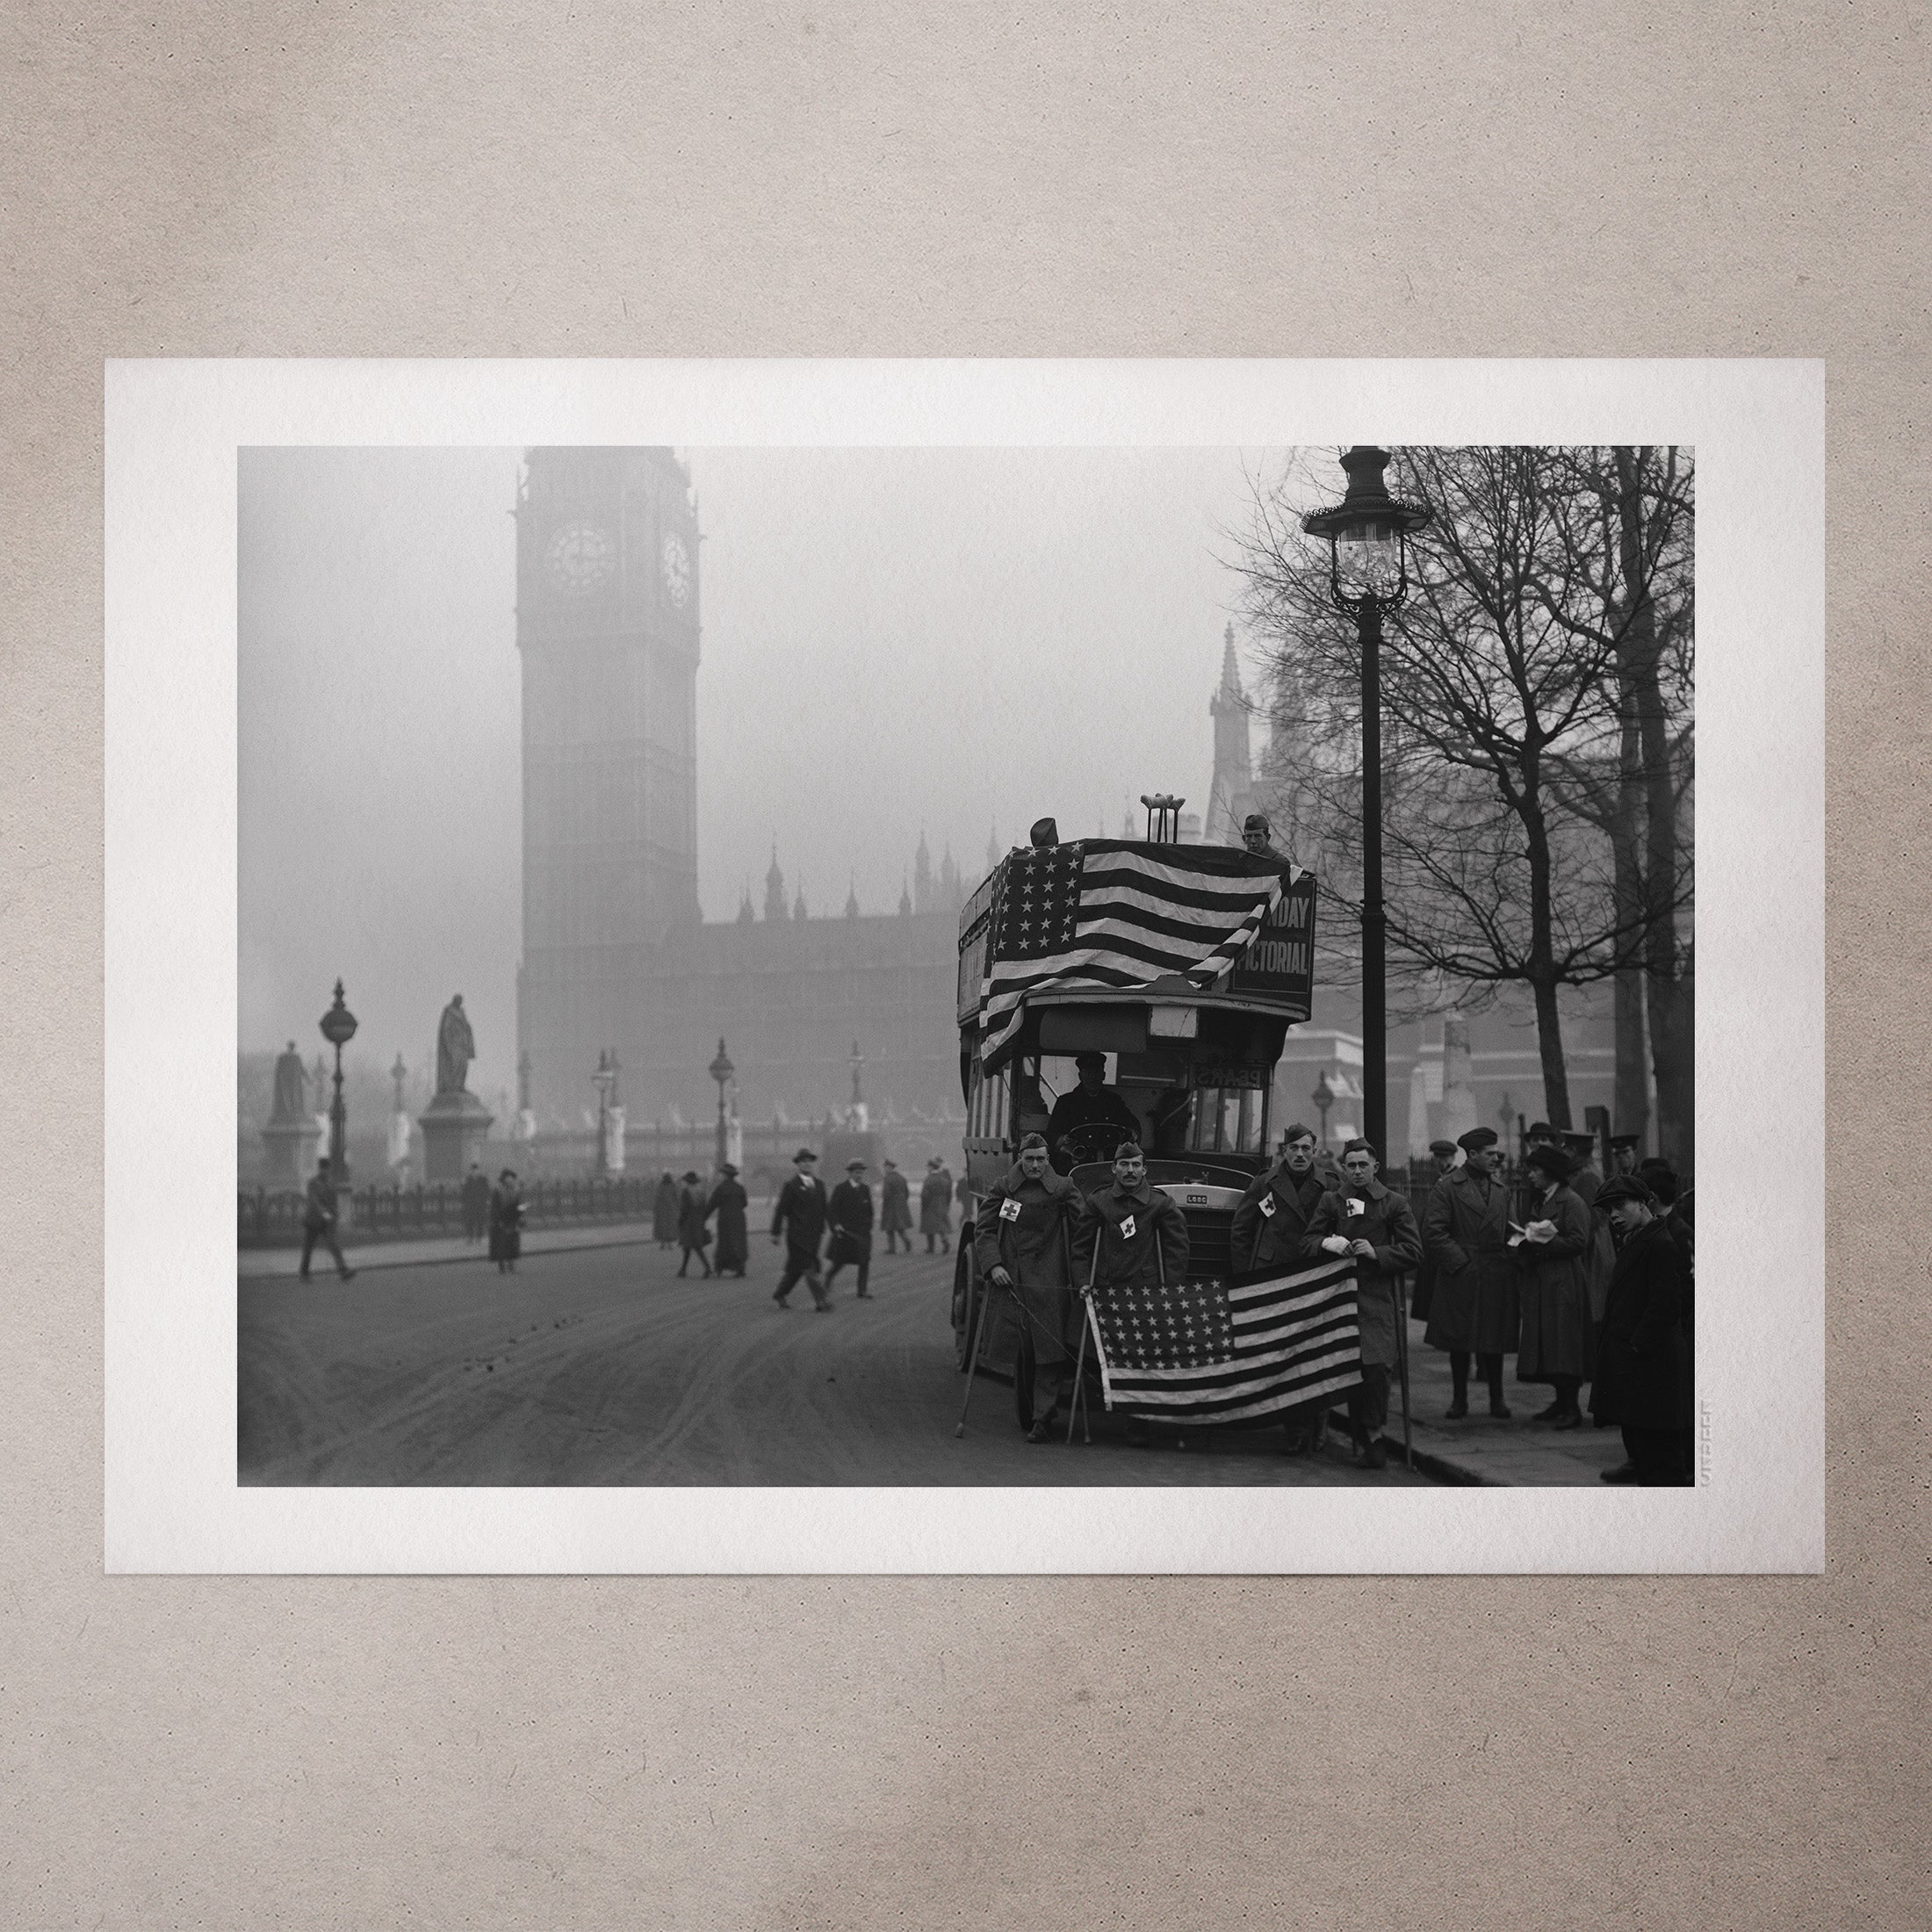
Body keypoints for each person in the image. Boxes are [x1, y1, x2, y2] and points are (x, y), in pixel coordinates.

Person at [1304, 1139, 1424, 1469]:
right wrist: (1330, 1242)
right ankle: (1339, 1432)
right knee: (1344, 1371)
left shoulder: (1393, 1203)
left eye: (1363, 1165)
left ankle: (1374, 1435)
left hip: (1377, 1300)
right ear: (1344, 1167)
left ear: (1375, 1167)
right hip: (1338, 1300)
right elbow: (1308, 1242)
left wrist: (1378, 1253)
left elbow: (1415, 1252)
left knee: (1376, 1371)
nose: (1357, 1171)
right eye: (1351, 1165)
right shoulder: (1332, 1200)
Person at [1072, 1142, 1190, 1447]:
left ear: (1144, 1169)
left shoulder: (1159, 1204)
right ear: (1114, 1168)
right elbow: (1082, 1248)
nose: (1130, 1171)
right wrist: (1083, 1281)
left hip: (1145, 1292)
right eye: (1124, 1165)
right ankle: (1111, 1408)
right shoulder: (1099, 1203)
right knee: (1106, 1356)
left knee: (1144, 1357)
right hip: (1107, 1291)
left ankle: (1138, 1424)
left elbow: (1177, 1249)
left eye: (1136, 1165)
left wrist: (1170, 1287)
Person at [973, 1131, 1085, 1442]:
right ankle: (1030, 1409)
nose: (1035, 1165)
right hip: (1014, 1277)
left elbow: (1083, 1230)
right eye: (1029, 1159)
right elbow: (985, 1230)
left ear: (1049, 1160)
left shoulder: (1063, 1188)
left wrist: (1079, 1274)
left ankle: (1042, 1419)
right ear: (1019, 1158)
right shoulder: (1004, 1188)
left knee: (1050, 1350)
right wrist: (993, 1265)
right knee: (1025, 1349)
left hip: (1051, 1281)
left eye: (1040, 1159)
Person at [1232, 1123, 1333, 1453]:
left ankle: (1318, 1422)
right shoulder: (1264, 1184)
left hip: (1315, 1277)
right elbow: (1241, 1232)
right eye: (1294, 1149)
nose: (1300, 1155)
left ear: (1314, 1151)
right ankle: (1296, 1430)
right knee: (1284, 1356)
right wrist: (1248, 1277)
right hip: (1274, 1278)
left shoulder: (1331, 1184)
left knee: (1315, 1354)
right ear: (1283, 1151)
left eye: (1306, 1148)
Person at [1590, 1177, 1693, 1484]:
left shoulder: (1660, 1243)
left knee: (1660, 1460)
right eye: (1609, 1210)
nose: (1614, 1216)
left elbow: (1665, 1307)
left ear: (1643, 1203)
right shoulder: (1639, 1238)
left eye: (1620, 1206)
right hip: (1639, 1369)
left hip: (1651, 1368)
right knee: (1646, 1454)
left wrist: (1636, 1347)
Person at [1421, 1126, 1519, 1419]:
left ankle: (1497, 1399)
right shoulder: (1448, 1187)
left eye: (1496, 1153)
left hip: (1495, 1272)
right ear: (1472, 1154)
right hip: (1461, 1273)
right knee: (1459, 1339)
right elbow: (1434, 1232)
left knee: (1495, 1338)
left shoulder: (1502, 1191)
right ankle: (1459, 1399)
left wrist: (1518, 1249)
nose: (1496, 1158)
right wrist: (1461, 1263)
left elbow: (1512, 1230)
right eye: (1490, 1154)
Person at [1510, 1142, 1596, 1428]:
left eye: (1535, 1170)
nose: (1531, 1176)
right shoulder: (1543, 1201)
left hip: (1563, 1282)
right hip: (1545, 1281)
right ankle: (1560, 1402)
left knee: (1565, 1344)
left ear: (1550, 1173)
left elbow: (1579, 1241)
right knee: (1552, 1344)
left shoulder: (1571, 1202)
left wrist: (1540, 1241)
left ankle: (1572, 1407)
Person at [1044, 1052, 1140, 1171]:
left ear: (1103, 1075)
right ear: (1080, 1076)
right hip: (1076, 1164)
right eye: (1088, 1073)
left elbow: (1132, 1125)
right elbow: (1052, 1134)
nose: (1093, 1077)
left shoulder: (1114, 1101)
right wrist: (1063, 1139)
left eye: (1097, 1073)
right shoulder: (1066, 1102)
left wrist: (1132, 1133)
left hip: (1110, 1163)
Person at [769, 1148, 833, 1311]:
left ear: (812, 1163)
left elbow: (825, 1209)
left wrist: (834, 1226)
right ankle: (822, 1300)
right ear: (798, 1165)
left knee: (796, 1270)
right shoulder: (791, 1186)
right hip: (797, 1236)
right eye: (802, 1161)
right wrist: (776, 1232)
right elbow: (781, 1210)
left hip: (814, 1235)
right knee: (809, 1267)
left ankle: (780, 1293)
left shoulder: (820, 1185)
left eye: (809, 1161)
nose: (806, 1164)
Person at [1410, 1139, 1461, 1324]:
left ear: (1452, 1157)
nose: (1439, 1161)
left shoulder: (1453, 1180)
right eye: (1437, 1157)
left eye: (1443, 1157)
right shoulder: (1441, 1179)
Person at [825, 1158, 876, 1300]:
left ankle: (862, 1290)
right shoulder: (841, 1189)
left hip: (863, 1233)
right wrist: (836, 1226)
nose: (859, 1176)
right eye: (857, 1173)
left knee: (864, 1262)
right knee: (840, 1262)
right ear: (850, 1173)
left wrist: (869, 1225)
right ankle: (828, 1278)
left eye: (861, 1173)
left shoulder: (865, 1189)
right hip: (845, 1233)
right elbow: (831, 1210)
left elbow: (870, 1210)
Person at [299, 1161, 356, 1283]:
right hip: (313, 1220)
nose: (325, 1171)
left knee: (334, 1246)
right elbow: (314, 1202)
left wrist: (334, 1214)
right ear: (319, 1169)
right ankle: (304, 1274)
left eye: (327, 1169)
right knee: (308, 1248)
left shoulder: (330, 1183)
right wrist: (325, 1214)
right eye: (323, 1169)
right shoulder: (313, 1183)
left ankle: (343, 1271)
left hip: (326, 1222)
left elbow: (333, 1201)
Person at [708, 1163, 749, 1277]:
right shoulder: (740, 1188)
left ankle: (720, 1267)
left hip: (725, 1219)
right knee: (739, 1243)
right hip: (739, 1219)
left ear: (725, 1175)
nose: (720, 1176)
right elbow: (745, 1203)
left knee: (724, 1244)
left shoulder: (721, 1188)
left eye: (721, 1174)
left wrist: (704, 1217)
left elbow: (712, 1204)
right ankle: (740, 1267)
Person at [675, 1170, 712, 1278]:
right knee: (692, 1246)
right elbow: (705, 1206)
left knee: (692, 1246)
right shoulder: (701, 1191)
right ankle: (683, 1269)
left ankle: (707, 1267)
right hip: (699, 1220)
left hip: (689, 1221)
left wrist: (680, 1221)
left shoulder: (686, 1191)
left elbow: (684, 1209)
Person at [488, 1168, 524, 1275]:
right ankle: (501, 1265)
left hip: (512, 1220)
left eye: (512, 1178)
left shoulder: (516, 1190)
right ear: (504, 1179)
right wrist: (497, 1220)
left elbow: (519, 1205)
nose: (511, 1180)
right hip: (501, 1220)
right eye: (509, 1178)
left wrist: (520, 1217)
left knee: (512, 1244)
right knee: (501, 1244)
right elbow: (494, 1207)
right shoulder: (498, 1190)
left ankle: (511, 1263)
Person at [919, 1157, 955, 1255]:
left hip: (930, 1205)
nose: (927, 1168)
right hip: (941, 1204)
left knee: (929, 1227)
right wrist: (946, 1203)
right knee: (941, 1226)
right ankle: (945, 1242)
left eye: (928, 1167)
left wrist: (924, 1205)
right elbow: (948, 1193)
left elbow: (925, 1195)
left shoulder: (929, 1179)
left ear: (931, 1167)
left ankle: (931, 1248)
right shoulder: (943, 1178)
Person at [879, 1159, 914, 1253]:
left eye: (885, 1167)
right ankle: (907, 1241)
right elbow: (907, 1193)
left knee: (889, 1227)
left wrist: (885, 1203)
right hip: (901, 1204)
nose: (884, 1169)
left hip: (891, 1205)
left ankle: (892, 1248)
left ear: (889, 1167)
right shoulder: (901, 1178)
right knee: (900, 1227)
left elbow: (886, 1193)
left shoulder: (888, 1178)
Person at [460, 1161, 491, 1244]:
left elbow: (487, 1190)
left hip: (481, 1203)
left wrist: (487, 1200)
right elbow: (464, 1191)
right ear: (471, 1171)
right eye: (473, 1170)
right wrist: (463, 1201)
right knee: (469, 1221)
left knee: (480, 1221)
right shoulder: (468, 1179)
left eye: (476, 1170)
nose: (474, 1172)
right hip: (470, 1204)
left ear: (479, 1171)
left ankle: (479, 1238)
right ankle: (470, 1237)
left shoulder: (483, 1179)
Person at [652, 1171, 680, 1250]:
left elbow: (657, 1198)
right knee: (670, 1227)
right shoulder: (673, 1186)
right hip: (671, 1209)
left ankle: (663, 1244)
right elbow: (677, 1198)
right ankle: (670, 1244)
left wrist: (656, 1208)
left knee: (662, 1227)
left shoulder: (660, 1186)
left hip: (662, 1210)